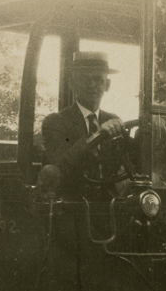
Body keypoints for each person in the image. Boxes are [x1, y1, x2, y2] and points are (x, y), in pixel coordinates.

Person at [41, 51, 128, 197]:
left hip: (111, 203)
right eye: (84, 79)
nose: (91, 85)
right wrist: (97, 135)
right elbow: (58, 168)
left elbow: (127, 162)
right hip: (72, 204)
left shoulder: (113, 120)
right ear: (72, 84)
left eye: (98, 79)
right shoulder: (55, 121)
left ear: (107, 85)